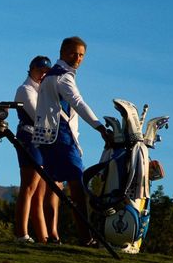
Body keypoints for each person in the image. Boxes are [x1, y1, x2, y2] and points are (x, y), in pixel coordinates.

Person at [33, 36, 110, 244]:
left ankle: (51, 236)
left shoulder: (52, 76)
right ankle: (86, 237)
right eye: (73, 53)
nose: (77, 58)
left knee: (53, 188)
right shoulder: (63, 77)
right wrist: (99, 127)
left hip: (48, 138)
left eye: (81, 55)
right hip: (61, 137)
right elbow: (78, 102)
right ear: (62, 52)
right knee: (77, 186)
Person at [12, 55, 53, 243]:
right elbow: (39, 115)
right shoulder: (25, 89)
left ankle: (43, 237)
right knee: (29, 185)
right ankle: (21, 233)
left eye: (46, 72)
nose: (42, 74)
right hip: (29, 137)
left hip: (42, 140)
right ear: (31, 70)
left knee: (40, 192)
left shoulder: (42, 91)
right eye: (39, 70)